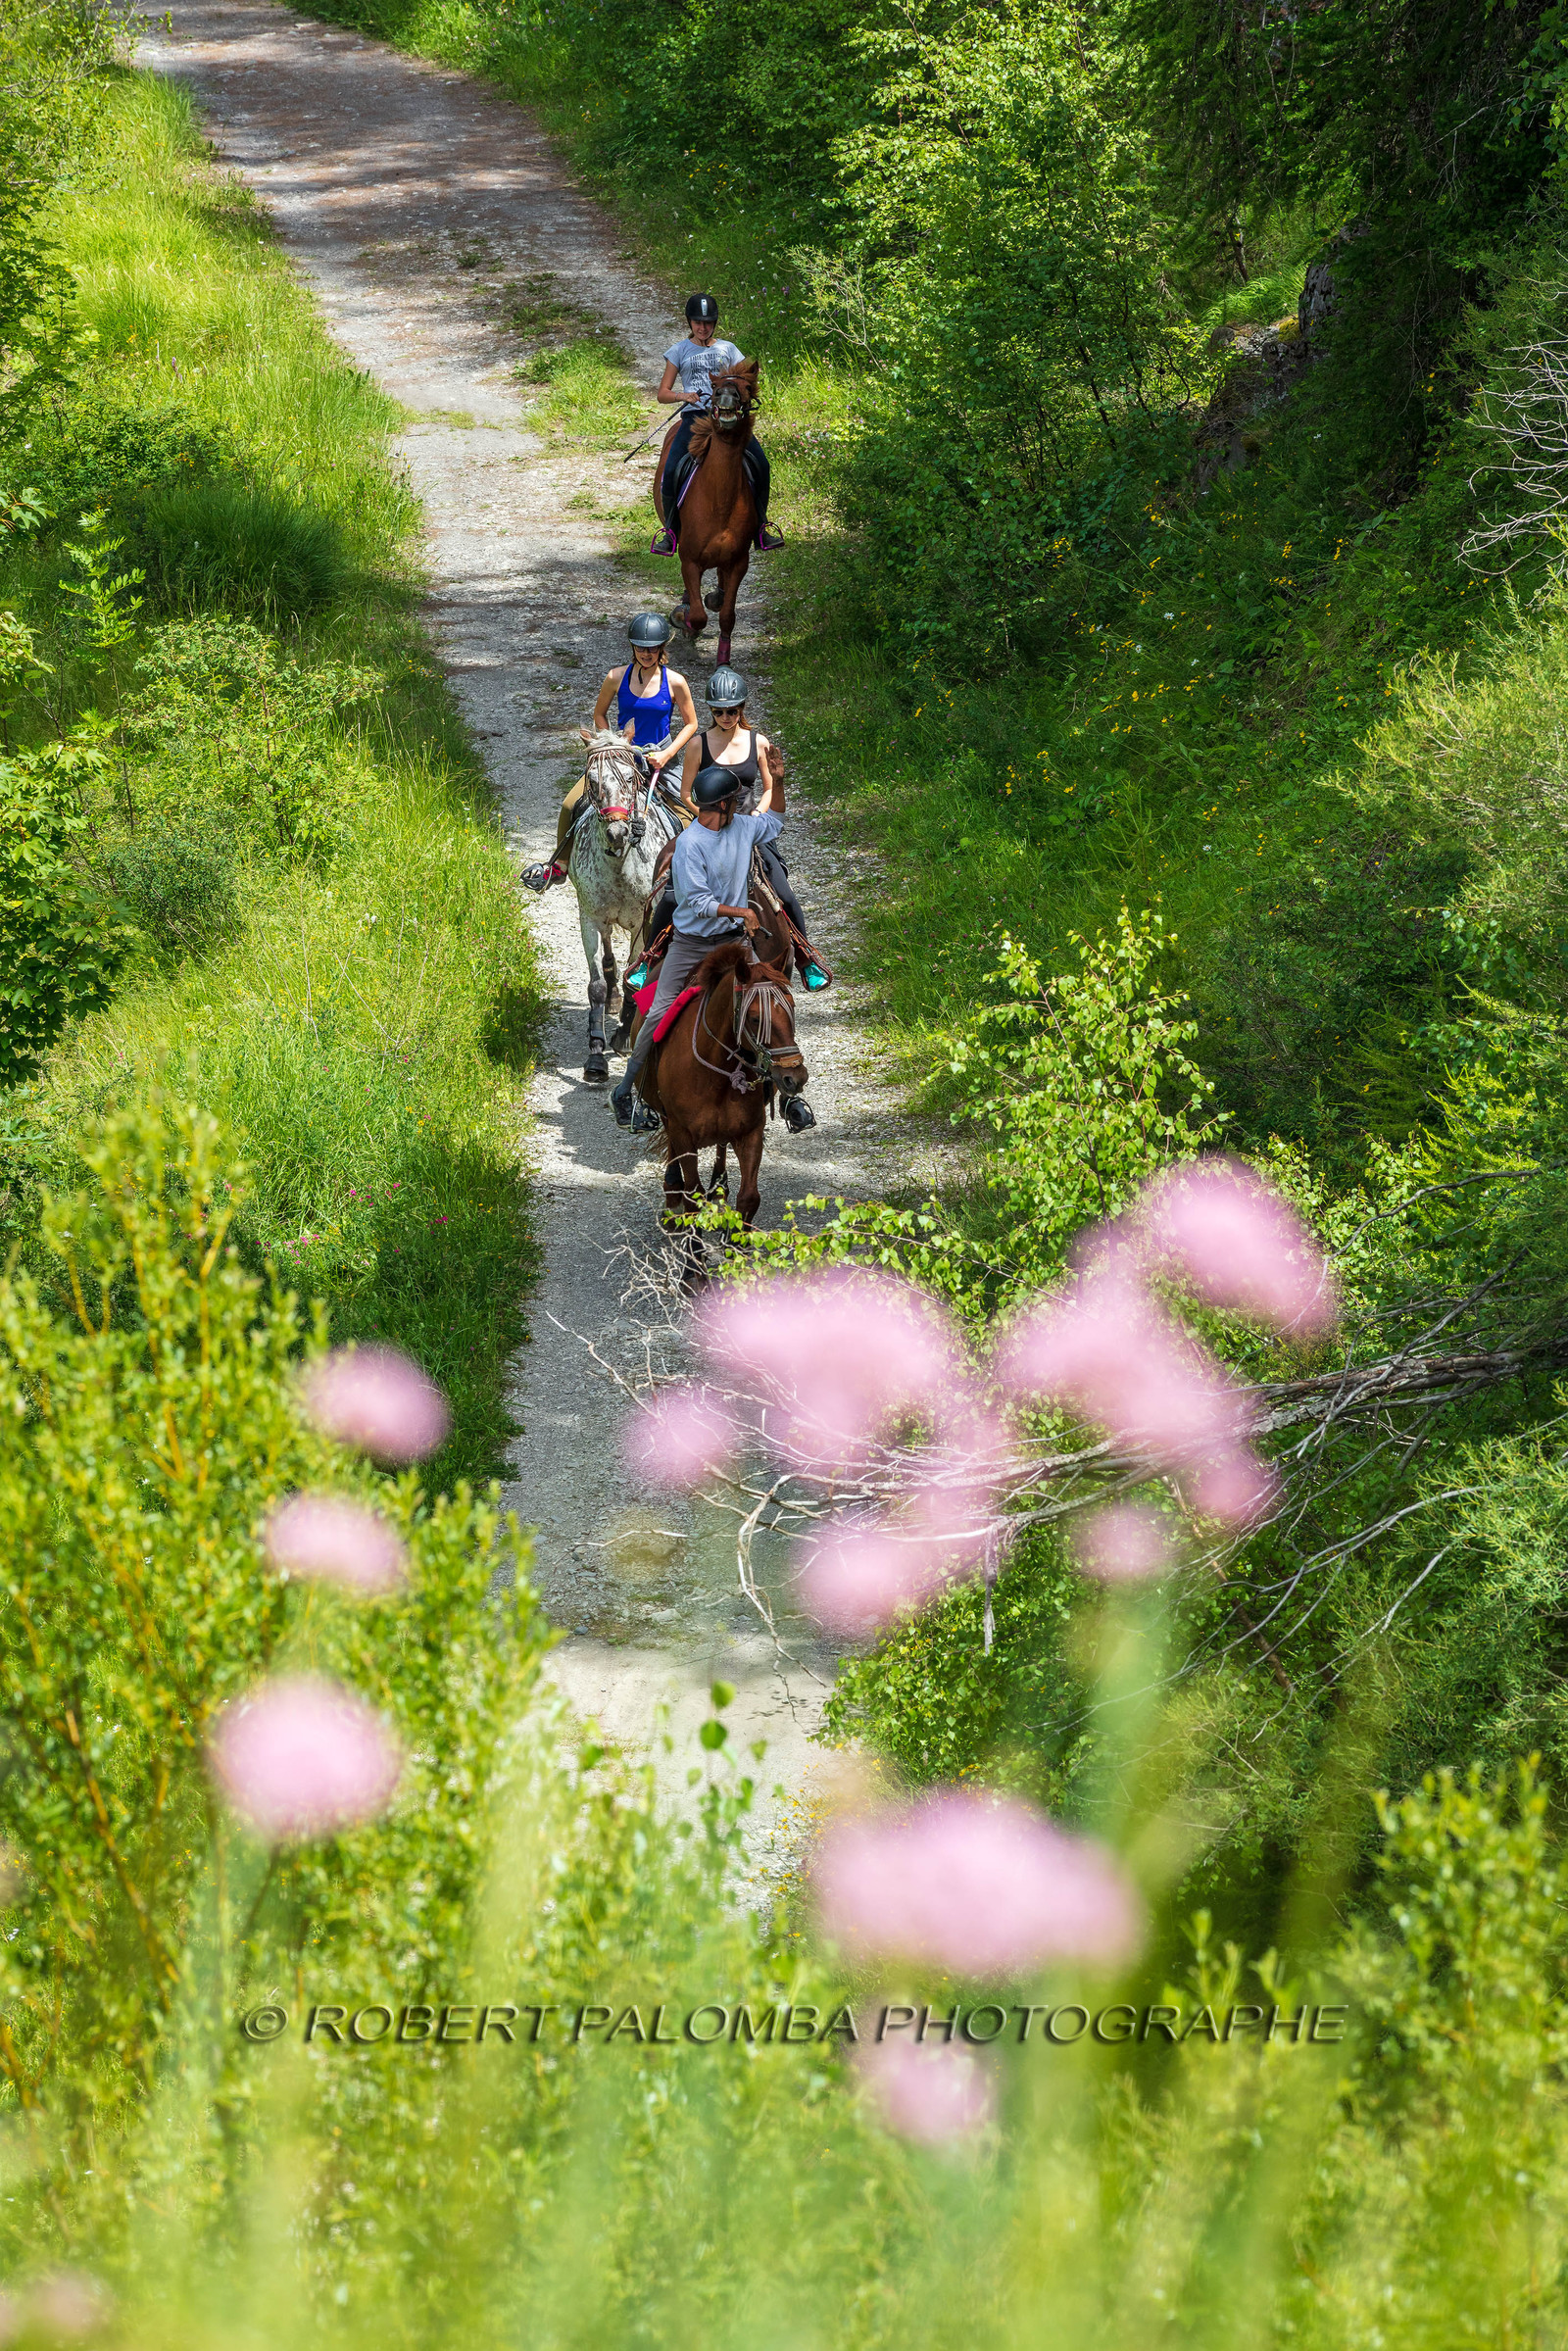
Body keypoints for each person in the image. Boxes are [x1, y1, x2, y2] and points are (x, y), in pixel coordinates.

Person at [612, 764, 817, 1135]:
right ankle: (628, 1090)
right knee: (658, 1012)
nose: (737, 808)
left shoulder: (741, 827)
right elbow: (698, 901)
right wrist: (743, 912)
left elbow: (775, 821)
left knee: (769, 1000)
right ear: (722, 805)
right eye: (733, 802)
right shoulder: (690, 845)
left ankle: (789, 1096)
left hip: (733, 940)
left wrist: (780, 780)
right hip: (692, 944)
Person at [520, 613, 697, 893]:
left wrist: (668, 753)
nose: (646, 653)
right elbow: (599, 714)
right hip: (620, 757)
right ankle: (559, 866)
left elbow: (692, 723)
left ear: (662, 648)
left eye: (652, 648)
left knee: (688, 813)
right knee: (570, 804)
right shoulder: (616, 677)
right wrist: (611, 744)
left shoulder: (675, 681)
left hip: (660, 758)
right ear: (632, 647)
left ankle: (691, 872)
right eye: (641, 648)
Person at [676, 666, 827, 989]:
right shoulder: (697, 745)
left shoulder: (758, 742)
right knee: (669, 890)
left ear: (742, 708)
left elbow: (771, 788)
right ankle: (651, 954)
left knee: (781, 888)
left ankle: (805, 956)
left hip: (749, 824)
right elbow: (686, 793)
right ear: (711, 711)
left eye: (732, 710)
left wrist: (755, 814)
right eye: (719, 711)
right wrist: (710, 819)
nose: (726, 716)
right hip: (707, 826)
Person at [650, 293, 783, 558]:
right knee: (673, 467)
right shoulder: (679, 351)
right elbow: (662, 393)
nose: (703, 327)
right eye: (698, 322)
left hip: (729, 419)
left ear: (715, 323)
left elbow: (747, 378)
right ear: (689, 322)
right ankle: (671, 531)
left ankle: (761, 527)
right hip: (695, 418)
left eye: (708, 323)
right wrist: (682, 395)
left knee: (762, 464)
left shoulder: (728, 349)